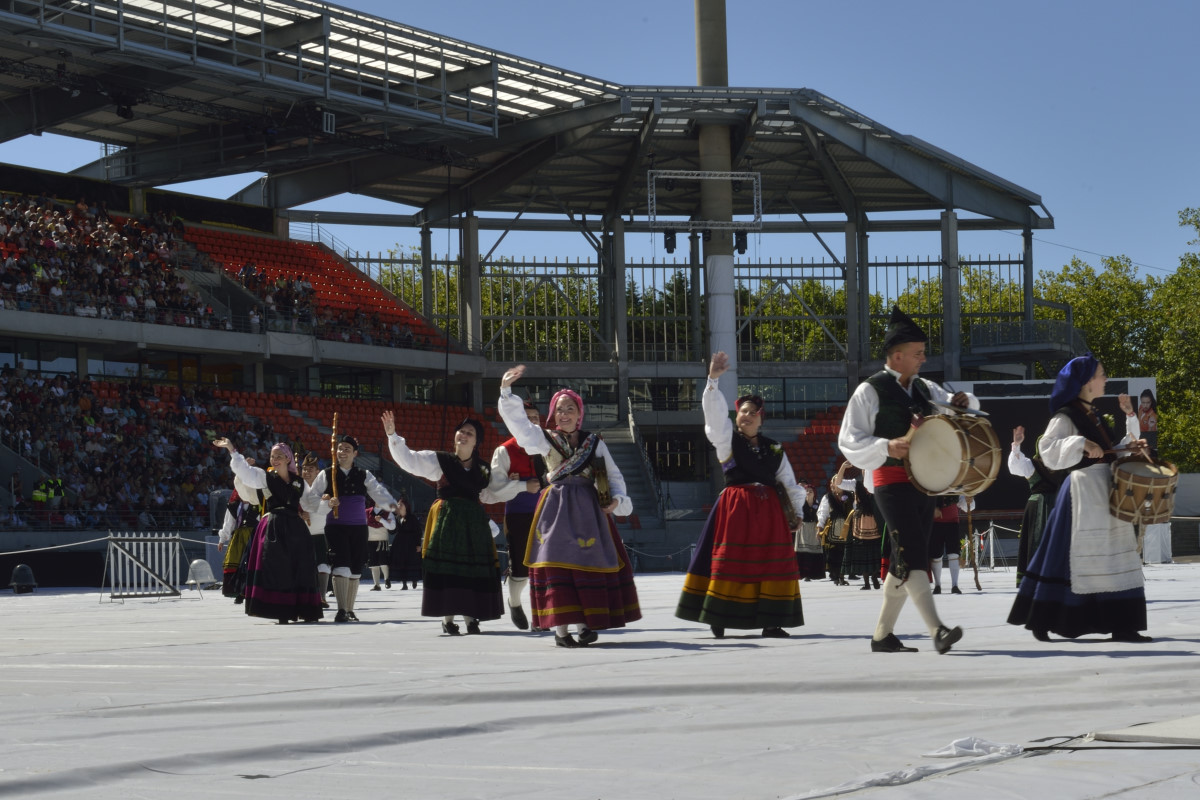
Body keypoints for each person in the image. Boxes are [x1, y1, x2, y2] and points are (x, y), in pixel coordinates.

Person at [837, 306, 975, 654]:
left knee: (904, 560)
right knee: (912, 553)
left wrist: (963, 401)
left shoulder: (926, 389)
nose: (923, 359)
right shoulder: (869, 391)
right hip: (889, 481)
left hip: (924, 483)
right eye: (918, 353)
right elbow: (849, 440)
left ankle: (882, 636)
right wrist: (886, 446)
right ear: (897, 356)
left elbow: (958, 406)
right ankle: (937, 630)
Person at [1007, 355, 1150, 643]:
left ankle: (1122, 624)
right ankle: (1043, 619)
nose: (1105, 379)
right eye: (1101, 374)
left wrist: (1129, 447)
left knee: (1113, 557)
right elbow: (1047, 449)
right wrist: (1081, 442)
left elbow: (1107, 451)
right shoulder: (1066, 416)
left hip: (1105, 491)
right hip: (1082, 493)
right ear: (1086, 382)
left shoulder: (1093, 414)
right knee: (1069, 558)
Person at [497, 365, 641, 648]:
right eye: (559, 409)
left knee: (586, 565)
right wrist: (505, 391)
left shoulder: (594, 443)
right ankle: (561, 632)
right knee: (558, 565)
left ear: (579, 414)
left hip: (588, 510)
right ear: (553, 415)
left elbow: (612, 477)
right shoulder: (544, 439)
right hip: (556, 509)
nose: (564, 414)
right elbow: (520, 427)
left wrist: (616, 501)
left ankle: (585, 626)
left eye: (570, 409)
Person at [676, 352, 804, 638]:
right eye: (743, 411)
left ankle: (771, 622)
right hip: (736, 509)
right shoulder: (726, 439)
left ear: (761, 419)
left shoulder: (774, 448)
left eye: (752, 412)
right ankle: (719, 616)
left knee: (769, 563)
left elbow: (788, 482)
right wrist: (713, 381)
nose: (746, 415)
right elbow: (714, 418)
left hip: (769, 512)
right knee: (730, 560)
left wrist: (796, 512)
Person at [383, 411, 503, 635]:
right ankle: (448, 620)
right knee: (450, 568)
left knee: (471, 569)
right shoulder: (441, 460)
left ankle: (470, 618)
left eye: (469, 433)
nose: (463, 435)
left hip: (472, 524)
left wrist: (517, 485)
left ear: (476, 442)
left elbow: (491, 494)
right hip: (447, 521)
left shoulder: (484, 469)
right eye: (461, 431)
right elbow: (410, 461)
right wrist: (392, 436)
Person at [213, 438, 323, 624]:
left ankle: (303, 609)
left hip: (296, 529)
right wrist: (232, 449)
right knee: (277, 568)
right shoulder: (265, 477)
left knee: (301, 567)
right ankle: (281, 611)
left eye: (279, 456)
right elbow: (244, 472)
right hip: (274, 527)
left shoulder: (298, 482)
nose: (275, 459)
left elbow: (310, 502)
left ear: (288, 459)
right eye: (273, 456)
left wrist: (327, 501)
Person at [301, 435, 396, 623]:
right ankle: (341, 609)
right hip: (336, 527)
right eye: (340, 448)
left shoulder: (363, 474)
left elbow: (378, 491)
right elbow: (311, 499)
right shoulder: (326, 474)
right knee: (341, 566)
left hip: (359, 528)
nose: (342, 452)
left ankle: (350, 609)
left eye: (347, 449)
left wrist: (392, 505)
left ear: (355, 453)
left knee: (355, 569)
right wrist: (327, 503)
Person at [487, 399, 547, 630]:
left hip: (548, 514)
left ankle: (542, 617)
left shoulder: (549, 446)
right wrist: (522, 485)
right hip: (518, 516)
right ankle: (514, 602)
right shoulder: (504, 451)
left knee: (546, 568)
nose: (531, 422)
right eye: (526, 418)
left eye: (535, 418)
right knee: (521, 570)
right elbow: (495, 490)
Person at [1008, 425, 1062, 587]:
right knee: (1036, 542)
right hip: (1038, 508)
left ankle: (1056, 578)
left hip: (1058, 507)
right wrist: (1016, 445)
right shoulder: (1032, 465)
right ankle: (1035, 578)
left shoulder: (1063, 466)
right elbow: (1014, 467)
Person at [300, 454, 332, 607]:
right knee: (302, 566)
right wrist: (299, 514)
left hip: (320, 532)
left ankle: (322, 596)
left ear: (317, 472)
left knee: (323, 565)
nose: (306, 472)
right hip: (302, 533)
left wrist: (327, 500)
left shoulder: (323, 488)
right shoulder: (297, 488)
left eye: (310, 469)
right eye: (304, 469)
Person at [816, 463, 855, 586]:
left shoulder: (850, 496)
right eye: (835, 481)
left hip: (847, 530)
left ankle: (842, 576)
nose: (837, 484)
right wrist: (819, 528)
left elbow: (855, 510)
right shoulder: (827, 497)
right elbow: (822, 513)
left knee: (845, 554)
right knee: (834, 554)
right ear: (832, 484)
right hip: (832, 531)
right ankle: (836, 575)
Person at [929, 495, 973, 595]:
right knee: (936, 555)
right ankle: (937, 585)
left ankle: (955, 585)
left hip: (952, 523)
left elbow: (965, 504)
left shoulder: (955, 487)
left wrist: (969, 501)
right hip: (935, 523)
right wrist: (933, 508)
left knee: (954, 554)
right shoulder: (933, 486)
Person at [387, 495, 422, 590]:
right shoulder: (397, 518)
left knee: (411, 561)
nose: (399, 506)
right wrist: (389, 525)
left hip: (411, 543)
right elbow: (393, 531)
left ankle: (414, 579)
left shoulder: (412, 518)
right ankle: (404, 584)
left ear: (406, 506)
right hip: (399, 543)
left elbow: (418, 532)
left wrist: (418, 544)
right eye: (398, 504)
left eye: (401, 504)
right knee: (401, 562)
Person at [793, 483, 825, 581]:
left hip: (813, 528)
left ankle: (813, 573)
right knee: (803, 551)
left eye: (810, 491)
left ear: (814, 493)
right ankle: (803, 574)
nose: (808, 493)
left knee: (813, 551)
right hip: (803, 528)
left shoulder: (817, 504)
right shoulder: (801, 503)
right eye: (807, 491)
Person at [366, 505, 396, 590]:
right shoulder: (367, 512)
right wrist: (385, 522)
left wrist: (382, 520)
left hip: (382, 540)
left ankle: (387, 579)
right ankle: (377, 584)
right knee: (373, 564)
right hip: (370, 540)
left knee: (383, 562)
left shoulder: (388, 512)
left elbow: (392, 527)